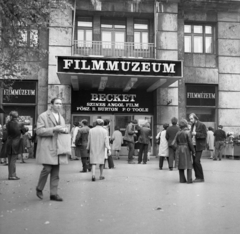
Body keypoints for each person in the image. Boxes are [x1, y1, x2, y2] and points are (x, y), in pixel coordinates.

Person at [36, 98, 68, 202]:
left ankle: (54, 194)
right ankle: (39, 188)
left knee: (56, 172)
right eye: (57, 103)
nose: (59, 105)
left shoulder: (61, 118)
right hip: (48, 146)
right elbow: (39, 131)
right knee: (47, 169)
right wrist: (54, 129)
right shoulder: (43, 116)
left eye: (60, 104)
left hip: (58, 147)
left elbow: (61, 130)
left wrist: (64, 130)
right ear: (52, 104)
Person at [5, 111, 25, 180]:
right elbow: (24, 131)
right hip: (15, 144)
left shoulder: (7, 123)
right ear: (17, 117)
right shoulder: (20, 124)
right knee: (13, 160)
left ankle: (10, 175)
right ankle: (12, 176)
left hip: (8, 143)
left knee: (10, 160)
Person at [175, 119, 195, 183]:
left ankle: (182, 179)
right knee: (189, 165)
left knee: (181, 164)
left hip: (179, 148)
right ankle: (189, 180)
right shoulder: (188, 132)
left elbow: (173, 142)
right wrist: (193, 150)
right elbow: (190, 142)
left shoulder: (178, 132)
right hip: (186, 149)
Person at [189, 113, 207, 183]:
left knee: (196, 161)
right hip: (194, 145)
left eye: (191, 118)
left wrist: (196, 134)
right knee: (194, 162)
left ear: (195, 118)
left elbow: (204, 135)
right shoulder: (192, 125)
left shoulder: (202, 125)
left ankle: (200, 177)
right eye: (190, 118)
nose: (190, 120)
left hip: (199, 145)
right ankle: (197, 177)